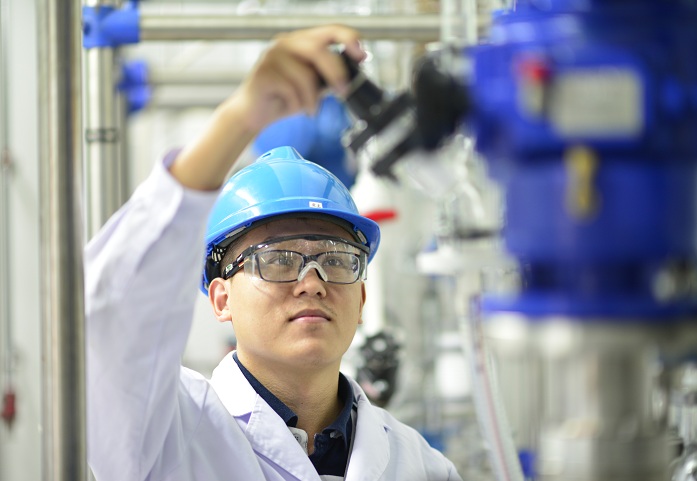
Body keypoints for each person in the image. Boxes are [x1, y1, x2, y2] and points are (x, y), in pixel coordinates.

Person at [85, 25, 462, 481]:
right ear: (221, 298)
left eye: (337, 260)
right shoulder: (165, 433)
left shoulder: (422, 465)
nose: (313, 282)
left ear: (362, 298)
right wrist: (240, 118)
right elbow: (111, 321)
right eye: (278, 259)